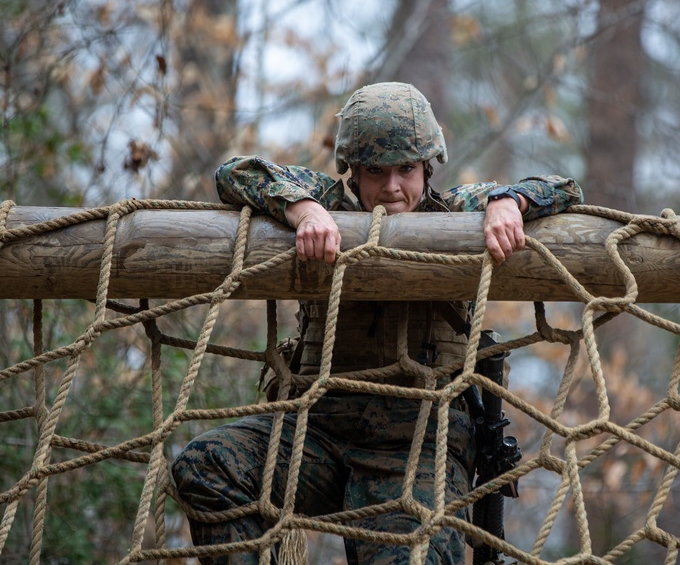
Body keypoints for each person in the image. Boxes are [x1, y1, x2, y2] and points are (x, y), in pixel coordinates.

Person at [171, 82, 582, 565]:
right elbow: (234, 173)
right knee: (205, 466)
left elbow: (564, 187)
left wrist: (510, 202)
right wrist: (302, 210)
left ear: (427, 167)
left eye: (406, 169)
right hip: (318, 432)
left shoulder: (458, 211)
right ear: (352, 171)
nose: (391, 187)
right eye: (375, 171)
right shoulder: (325, 201)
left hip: (416, 445)